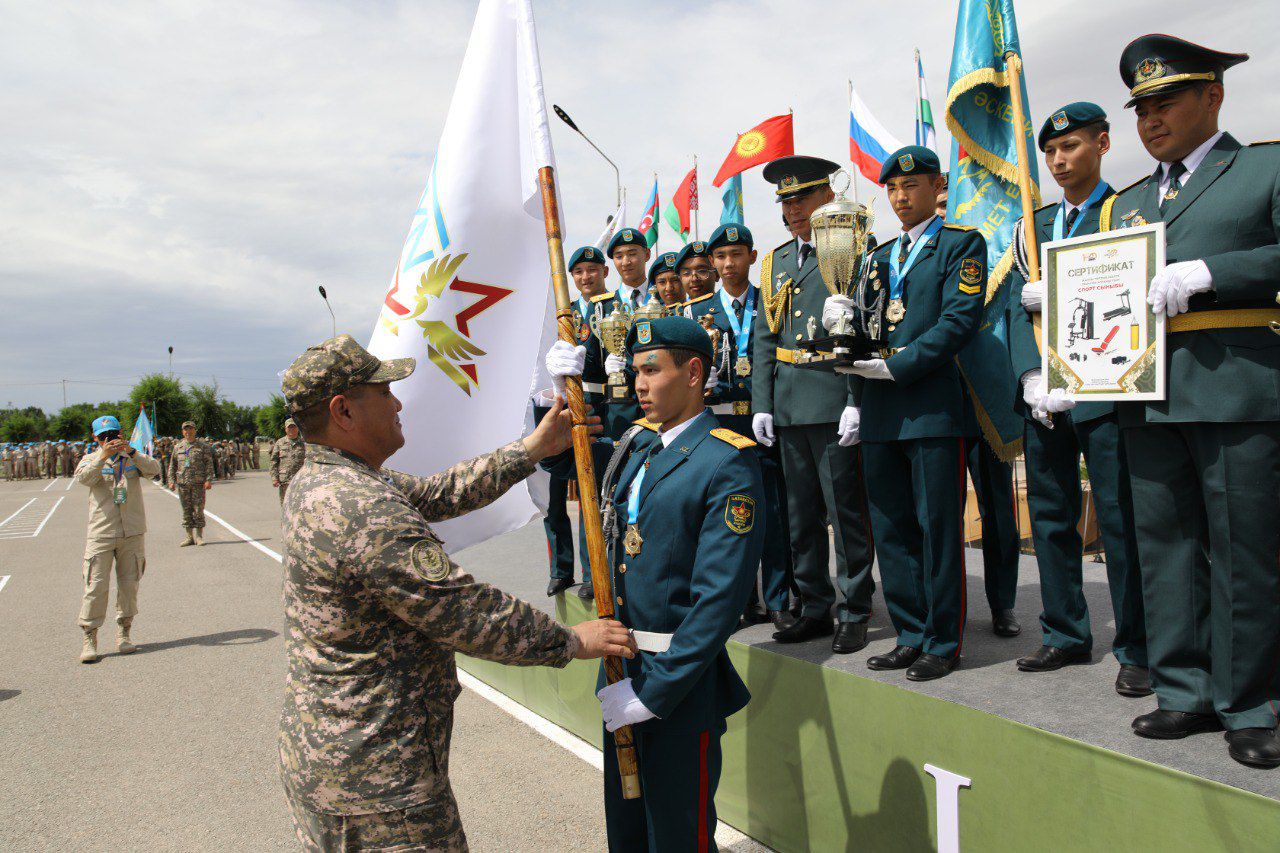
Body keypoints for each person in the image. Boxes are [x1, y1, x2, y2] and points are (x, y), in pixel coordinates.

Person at [276, 334, 633, 851]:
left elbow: (437, 493)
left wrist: (531, 449)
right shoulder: (361, 508)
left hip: (341, 758)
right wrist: (573, 641)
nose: (397, 403)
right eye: (384, 394)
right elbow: (465, 611)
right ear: (343, 411)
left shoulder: (327, 481)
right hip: (377, 784)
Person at [1099, 35, 1280, 768]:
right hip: (1148, 393)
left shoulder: (1264, 166)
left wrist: (1216, 271)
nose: (1151, 119)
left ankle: (1252, 700)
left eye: (1166, 102)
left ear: (1214, 96)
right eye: (1141, 108)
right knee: (1166, 548)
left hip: (1235, 384)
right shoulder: (1129, 201)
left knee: (1245, 551)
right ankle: (1184, 689)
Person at [543, 314, 765, 851]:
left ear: (693, 373)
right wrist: (557, 397)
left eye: (652, 370)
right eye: (636, 371)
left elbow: (718, 600)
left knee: (677, 835)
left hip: (676, 685)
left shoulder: (727, 461)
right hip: (619, 671)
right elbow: (566, 459)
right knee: (628, 831)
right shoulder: (638, 444)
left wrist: (654, 694)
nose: (639, 384)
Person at [825, 146, 986, 680]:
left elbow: (957, 322)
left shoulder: (961, 245)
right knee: (890, 530)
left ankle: (942, 640)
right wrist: (844, 330)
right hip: (880, 411)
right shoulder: (876, 256)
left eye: (911, 186)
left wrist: (897, 367)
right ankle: (909, 632)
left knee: (936, 526)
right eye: (892, 189)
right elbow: (872, 325)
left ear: (937, 187)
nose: (900, 197)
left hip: (930, 407)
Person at [1007, 102, 1150, 697]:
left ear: (1103, 144)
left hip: (1106, 394)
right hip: (1046, 399)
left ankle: (1138, 647)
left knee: (1119, 521)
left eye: (1072, 147)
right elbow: (1014, 315)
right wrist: (1027, 378)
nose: (1060, 160)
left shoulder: (1128, 212)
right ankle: (1064, 630)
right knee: (1049, 519)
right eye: (1050, 153)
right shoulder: (1030, 225)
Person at [753, 154, 877, 653]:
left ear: (828, 195)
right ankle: (814, 603)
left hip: (832, 396)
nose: (793, 209)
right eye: (786, 200)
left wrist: (855, 398)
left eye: (802, 197)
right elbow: (764, 339)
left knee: (844, 511)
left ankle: (855, 607)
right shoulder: (776, 262)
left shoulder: (858, 249)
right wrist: (763, 402)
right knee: (800, 514)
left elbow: (869, 329)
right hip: (788, 404)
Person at [692, 222, 794, 629]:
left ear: (753, 257)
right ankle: (738, 600)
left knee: (772, 510)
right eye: (720, 256)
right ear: (712, 262)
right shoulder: (695, 311)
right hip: (719, 422)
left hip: (765, 416)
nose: (728, 263)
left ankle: (778, 600)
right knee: (725, 517)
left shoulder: (773, 301)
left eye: (736, 255)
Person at [73, 415, 161, 663]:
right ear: (95, 439)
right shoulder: (90, 460)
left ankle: (124, 632)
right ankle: (90, 637)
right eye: (103, 437)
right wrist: (102, 456)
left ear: (120, 434)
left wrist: (131, 451)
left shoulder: (132, 457)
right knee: (95, 586)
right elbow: (83, 479)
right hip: (102, 532)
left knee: (129, 585)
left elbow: (154, 470)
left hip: (131, 532)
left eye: (112, 435)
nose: (109, 440)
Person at [170, 420, 213, 546]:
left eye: (190, 429)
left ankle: (199, 537)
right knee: (186, 511)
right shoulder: (178, 447)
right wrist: (171, 481)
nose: (188, 432)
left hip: (198, 484)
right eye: (185, 429)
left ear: (195, 430)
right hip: (183, 484)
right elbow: (172, 465)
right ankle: (189, 537)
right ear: (182, 432)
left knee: (198, 510)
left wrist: (208, 480)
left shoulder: (203, 446)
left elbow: (209, 464)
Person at [270, 419, 307, 503]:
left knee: (300, 503)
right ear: (285, 429)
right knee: (285, 504)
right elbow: (274, 461)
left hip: (301, 479)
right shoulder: (280, 442)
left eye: (294, 427)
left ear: (298, 428)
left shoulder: (304, 442)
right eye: (289, 427)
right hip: (285, 480)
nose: (291, 429)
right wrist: (274, 478)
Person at [674, 239, 717, 304]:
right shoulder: (680, 312)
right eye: (686, 273)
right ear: (680, 279)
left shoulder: (730, 308)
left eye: (702, 271)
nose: (694, 279)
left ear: (717, 274)